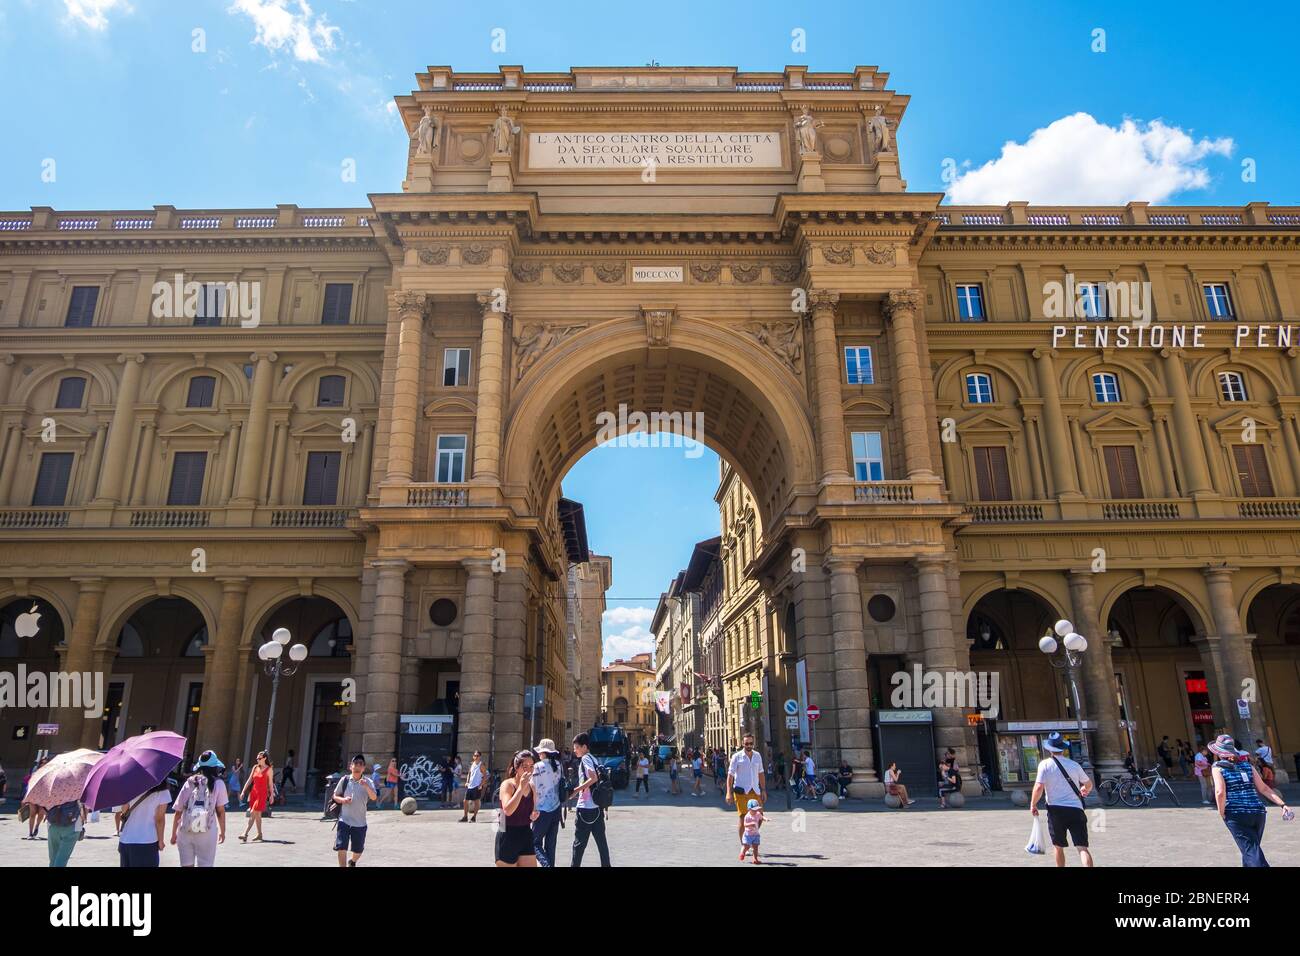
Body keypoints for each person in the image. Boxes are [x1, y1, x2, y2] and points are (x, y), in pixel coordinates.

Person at [1211, 734, 1291, 867]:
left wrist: (1221, 812)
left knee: (1250, 850)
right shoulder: (1247, 766)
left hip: (1236, 814)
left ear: (1219, 752)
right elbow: (1264, 788)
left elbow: (1220, 792)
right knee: (1251, 848)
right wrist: (1282, 804)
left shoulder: (1218, 767)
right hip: (1257, 813)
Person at [1029, 732, 1094, 867]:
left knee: (1058, 846)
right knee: (1082, 847)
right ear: (1063, 749)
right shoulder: (1074, 765)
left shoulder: (1045, 765)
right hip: (1076, 809)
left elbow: (1039, 787)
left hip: (1055, 811)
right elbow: (1089, 784)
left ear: (1049, 749)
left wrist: (1033, 804)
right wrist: (1084, 790)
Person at [170, 750, 228, 867]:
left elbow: (178, 811)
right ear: (215, 766)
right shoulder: (218, 784)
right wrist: (223, 832)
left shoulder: (190, 782)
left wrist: (173, 834)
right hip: (207, 831)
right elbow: (221, 812)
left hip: (186, 830)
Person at [568, 732, 611, 867]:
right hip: (597, 807)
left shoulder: (585, 759)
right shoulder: (594, 758)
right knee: (602, 844)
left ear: (584, 747)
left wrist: (576, 791)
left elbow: (593, 778)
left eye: (576, 747)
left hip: (586, 808)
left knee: (578, 845)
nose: (574, 750)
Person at [329, 754, 376, 867]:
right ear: (351, 766)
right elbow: (335, 796)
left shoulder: (368, 782)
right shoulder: (344, 780)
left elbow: (374, 797)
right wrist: (343, 800)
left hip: (360, 823)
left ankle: (353, 861)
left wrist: (366, 786)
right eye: (355, 763)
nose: (358, 766)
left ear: (363, 768)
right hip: (344, 820)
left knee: (358, 850)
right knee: (341, 847)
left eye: (361, 764)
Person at [495, 750, 537, 867]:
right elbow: (507, 810)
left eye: (532, 766)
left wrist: (534, 814)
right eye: (525, 766)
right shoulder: (507, 784)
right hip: (507, 833)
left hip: (525, 833)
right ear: (516, 767)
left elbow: (534, 809)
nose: (529, 770)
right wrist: (520, 788)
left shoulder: (532, 786)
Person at [116, 779, 170, 868]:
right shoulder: (162, 791)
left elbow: (124, 811)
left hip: (127, 839)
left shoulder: (130, 787)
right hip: (148, 840)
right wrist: (161, 841)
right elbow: (159, 819)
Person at [726, 733, 767, 844]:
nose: (749, 745)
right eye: (746, 744)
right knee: (743, 817)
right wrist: (728, 792)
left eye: (751, 743)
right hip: (741, 792)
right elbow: (730, 775)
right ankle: (744, 843)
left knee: (760, 816)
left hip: (755, 791)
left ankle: (751, 832)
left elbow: (761, 773)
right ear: (742, 744)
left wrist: (763, 790)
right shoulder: (736, 757)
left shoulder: (757, 756)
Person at [530, 739, 563, 867]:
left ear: (543, 752)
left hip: (541, 810)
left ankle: (546, 865)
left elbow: (533, 787)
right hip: (556, 809)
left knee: (534, 843)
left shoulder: (537, 767)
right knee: (551, 845)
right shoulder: (558, 765)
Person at [239, 750, 274, 842]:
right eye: (257, 758)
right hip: (254, 793)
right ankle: (259, 834)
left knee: (253, 812)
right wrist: (243, 791)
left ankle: (245, 833)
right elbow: (250, 780)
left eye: (259, 758)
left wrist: (272, 795)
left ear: (264, 758)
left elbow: (270, 784)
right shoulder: (255, 767)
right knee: (258, 815)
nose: (257, 760)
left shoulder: (269, 769)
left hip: (262, 794)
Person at [44, 797, 85, 867]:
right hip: (73, 825)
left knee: (53, 857)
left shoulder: (51, 788)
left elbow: (44, 806)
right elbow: (85, 806)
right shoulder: (79, 787)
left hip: (53, 824)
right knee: (62, 858)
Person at [460, 751, 485, 822]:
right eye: (475, 755)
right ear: (473, 756)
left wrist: (481, 785)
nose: (476, 757)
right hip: (470, 786)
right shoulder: (472, 764)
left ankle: (474, 817)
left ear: (480, 757)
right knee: (465, 801)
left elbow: (485, 776)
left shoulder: (481, 765)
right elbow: (469, 773)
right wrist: (467, 782)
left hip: (477, 786)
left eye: (477, 756)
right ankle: (465, 817)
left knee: (476, 801)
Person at [739, 798, 764, 864]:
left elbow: (761, 817)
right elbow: (745, 825)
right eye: (754, 810)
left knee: (755, 847)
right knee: (746, 846)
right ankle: (742, 853)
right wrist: (751, 824)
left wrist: (765, 819)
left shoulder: (757, 813)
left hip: (756, 834)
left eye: (756, 809)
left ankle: (755, 859)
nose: (755, 811)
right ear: (749, 809)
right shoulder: (747, 816)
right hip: (748, 835)